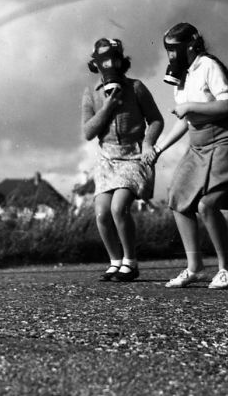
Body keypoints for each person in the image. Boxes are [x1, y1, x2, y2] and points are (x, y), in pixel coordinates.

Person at [146, 23, 228, 289]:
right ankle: (194, 267)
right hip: (198, 143)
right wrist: (158, 149)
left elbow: (227, 105)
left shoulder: (208, 66)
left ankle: (227, 268)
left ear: (190, 46)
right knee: (178, 199)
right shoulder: (181, 75)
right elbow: (185, 119)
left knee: (207, 205)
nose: (171, 56)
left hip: (224, 140)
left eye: (175, 50)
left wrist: (190, 105)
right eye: (168, 51)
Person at [82, 38, 164, 282]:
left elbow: (156, 119)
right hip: (107, 157)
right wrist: (108, 106)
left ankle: (131, 262)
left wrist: (148, 142)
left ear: (122, 61)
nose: (110, 65)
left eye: (114, 59)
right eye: (104, 61)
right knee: (102, 213)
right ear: (96, 64)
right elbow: (88, 132)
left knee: (119, 207)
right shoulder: (91, 94)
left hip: (133, 155)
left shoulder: (136, 87)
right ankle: (115, 262)